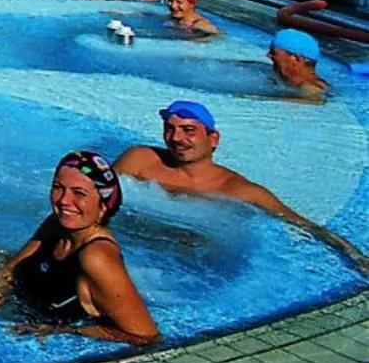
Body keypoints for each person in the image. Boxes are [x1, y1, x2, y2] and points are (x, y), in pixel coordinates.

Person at [115, 100, 369, 273]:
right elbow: (98, 193)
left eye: (188, 130)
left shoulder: (241, 191)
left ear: (213, 139)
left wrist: (355, 257)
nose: (177, 138)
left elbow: (304, 225)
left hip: (180, 261)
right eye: (170, 129)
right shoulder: (141, 159)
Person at [0, 151, 158, 345]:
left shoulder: (97, 257)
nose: (64, 201)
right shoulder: (56, 225)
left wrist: (66, 331)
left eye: (79, 193)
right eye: (58, 188)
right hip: (16, 319)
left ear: (103, 206)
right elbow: (11, 268)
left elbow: (146, 336)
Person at [266, 28, 328, 99]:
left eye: (273, 52)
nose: (268, 55)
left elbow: (316, 100)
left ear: (296, 58)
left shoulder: (310, 90)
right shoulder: (294, 83)